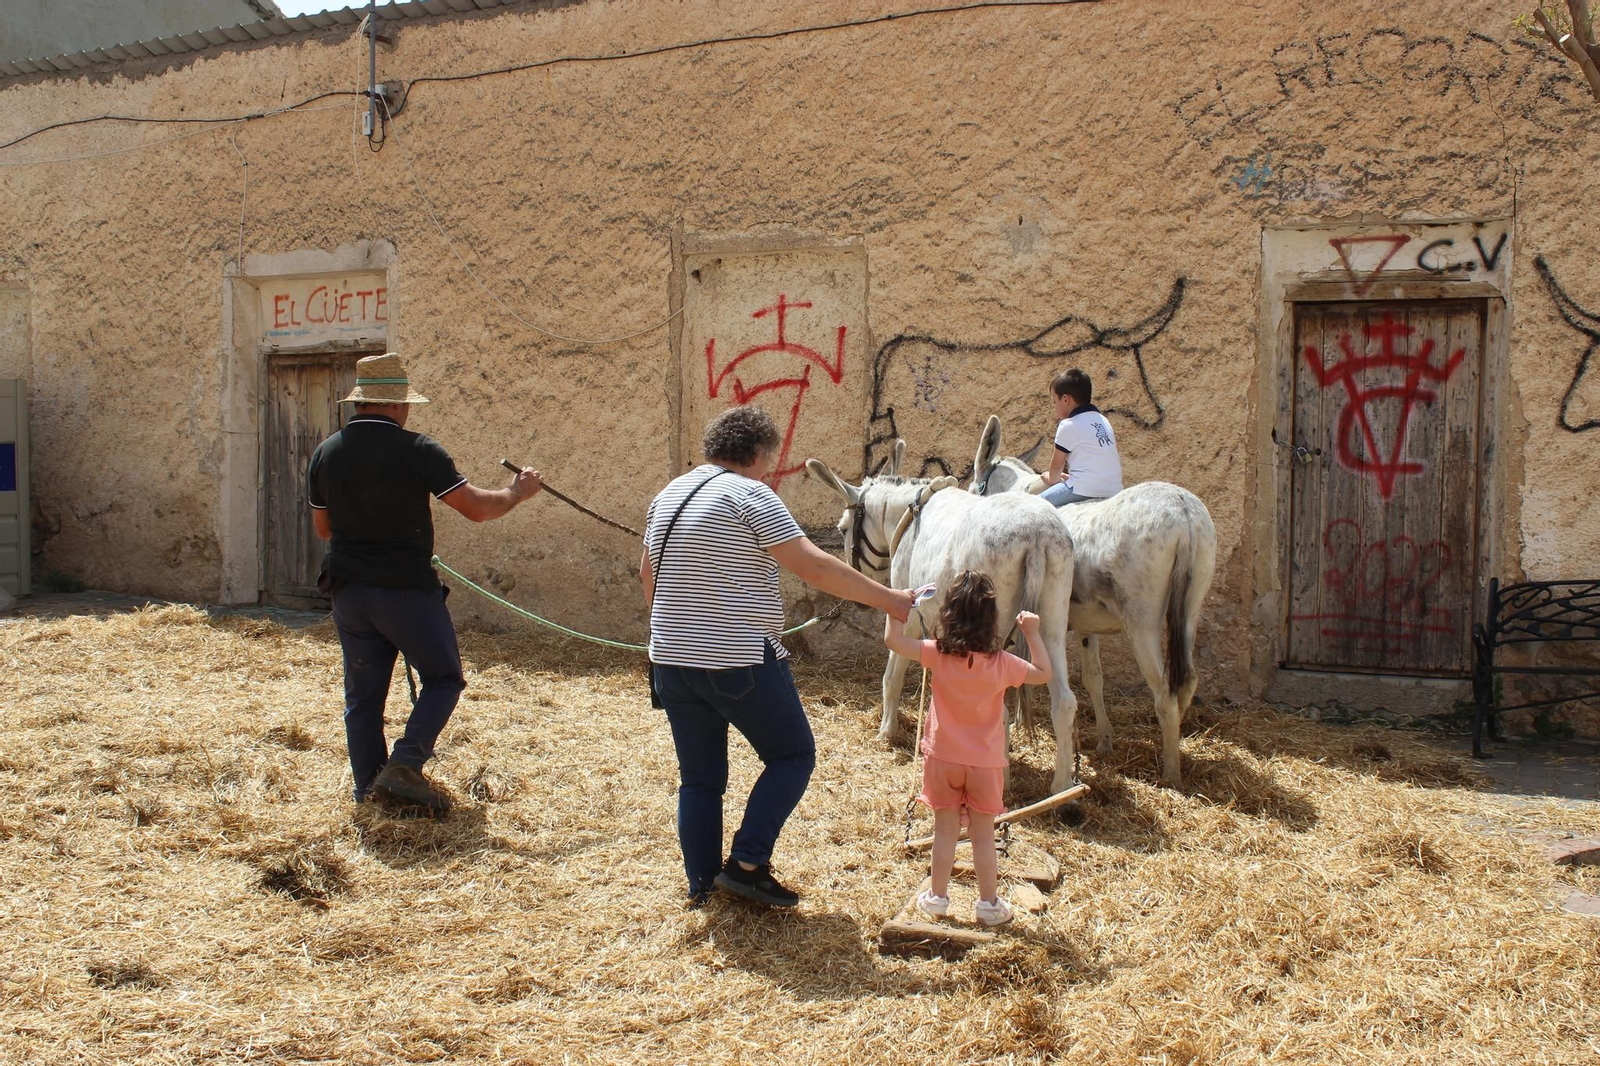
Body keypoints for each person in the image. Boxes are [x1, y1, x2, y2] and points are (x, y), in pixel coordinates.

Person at [641, 405, 916, 909]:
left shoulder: (668, 495)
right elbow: (812, 566)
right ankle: (746, 865)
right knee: (792, 755)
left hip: (671, 662)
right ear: (762, 453)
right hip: (738, 659)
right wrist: (893, 600)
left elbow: (648, 579)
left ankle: (701, 887)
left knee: (700, 779)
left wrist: (678, 635)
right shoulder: (751, 494)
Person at [307, 352, 543, 815]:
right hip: (404, 590)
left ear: (361, 403)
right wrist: (517, 492)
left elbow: (323, 529)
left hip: (348, 590)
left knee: (362, 698)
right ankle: (406, 764)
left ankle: (369, 795)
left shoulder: (325, 452)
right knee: (443, 679)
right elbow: (476, 508)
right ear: (397, 405)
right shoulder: (418, 450)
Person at [882, 571, 1052, 927]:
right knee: (983, 835)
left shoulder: (938, 655)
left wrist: (896, 606)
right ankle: (988, 905)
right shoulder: (1002, 664)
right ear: (992, 619)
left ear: (948, 613)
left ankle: (937, 899)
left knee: (945, 831)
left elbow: (894, 641)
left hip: (943, 757)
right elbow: (1042, 672)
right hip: (985, 763)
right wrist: (1032, 633)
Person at [1039, 368, 1123, 507]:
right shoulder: (1103, 420)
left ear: (1065, 399)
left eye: (1054, 401)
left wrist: (1051, 478)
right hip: (1114, 489)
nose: (1054, 407)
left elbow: (1057, 466)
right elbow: (1096, 461)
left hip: (1084, 488)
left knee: (1035, 505)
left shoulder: (1068, 425)